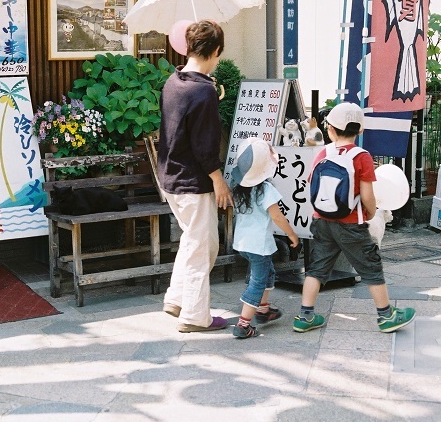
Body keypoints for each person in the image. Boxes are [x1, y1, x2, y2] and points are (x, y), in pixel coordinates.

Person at [294, 102, 416, 333]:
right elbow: (368, 194)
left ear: (329, 129)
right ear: (360, 130)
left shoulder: (323, 152)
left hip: (321, 221)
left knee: (317, 270)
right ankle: (386, 316)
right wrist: (370, 213)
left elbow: (312, 184)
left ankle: (305, 316)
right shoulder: (362, 157)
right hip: (350, 223)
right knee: (371, 267)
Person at [157, 20, 233, 333]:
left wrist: (209, 90)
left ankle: (176, 298)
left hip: (171, 177)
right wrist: (219, 180)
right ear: (215, 50)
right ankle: (195, 316)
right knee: (204, 247)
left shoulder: (174, 81)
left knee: (192, 239)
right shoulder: (203, 93)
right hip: (193, 181)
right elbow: (205, 148)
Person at [230, 137, 299, 338]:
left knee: (268, 272)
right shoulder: (266, 190)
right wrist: (292, 235)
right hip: (258, 245)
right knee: (258, 282)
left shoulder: (239, 188)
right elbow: (277, 216)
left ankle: (263, 310)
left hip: (243, 243)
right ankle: (243, 324)